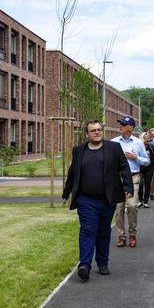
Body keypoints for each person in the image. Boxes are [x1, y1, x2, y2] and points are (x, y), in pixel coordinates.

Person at [62, 120, 133, 282]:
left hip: (107, 199)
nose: (96, 132)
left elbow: (124, 168)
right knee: (87, 230)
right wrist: (66, 192)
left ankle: (102, 262)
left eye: (99, 130)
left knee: (103, 231)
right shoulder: (79, 151)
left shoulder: (113, 148)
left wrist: (128, 186)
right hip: (85, 200)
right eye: (93, 130)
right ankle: (85, 265)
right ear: (87, 134)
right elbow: (73, 173)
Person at [111, 117, 150, 248]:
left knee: (132, 206)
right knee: (119, 208)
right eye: (120, 124)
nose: (120, 126)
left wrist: (136, 157)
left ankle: (132, 233)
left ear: (131, 128)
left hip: (133, 178)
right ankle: (121, 236)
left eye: (123, 124)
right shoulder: (114, 142)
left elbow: (147, 161)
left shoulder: (138, 143)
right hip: (117, 178)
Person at [138, 132, 154, 208]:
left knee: (147, 184)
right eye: (147, 138)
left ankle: (146, 201)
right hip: (140, 168)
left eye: (149, 138)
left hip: (149, 168)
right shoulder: (139, 147)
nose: (149, 139)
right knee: (140, 184)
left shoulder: (151, 146)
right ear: (143, 139)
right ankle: (140, 201)